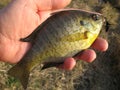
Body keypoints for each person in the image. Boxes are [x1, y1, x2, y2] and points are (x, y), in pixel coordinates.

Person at [0, 0, 108, 70]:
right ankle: (24, 66)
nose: (99, 19)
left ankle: (25, 66)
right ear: (85, 22)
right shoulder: (86, 32)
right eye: (95, 18)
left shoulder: (87, 32)